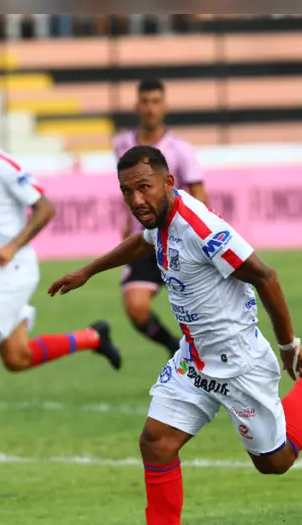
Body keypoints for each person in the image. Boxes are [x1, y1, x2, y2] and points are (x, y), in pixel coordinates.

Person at [48, 146, 302, 525]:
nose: (136, 200)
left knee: (274, 463)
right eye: (127, 191)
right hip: (195, 357)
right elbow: (142, 243)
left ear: (168, 183)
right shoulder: (159, 221)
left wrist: (290, 345)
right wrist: (89, 270)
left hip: (239, 361)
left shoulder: (200, 226)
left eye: (144, 188)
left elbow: (266, 276)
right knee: (156, 441)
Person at [0, 101, 122, 459]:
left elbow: (46, 208)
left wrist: (12, 246)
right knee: (16, 357)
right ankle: (93, 337)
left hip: (14, 269)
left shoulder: (2, 166)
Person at [112, 78, 207, 357]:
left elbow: (199, 193)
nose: (150, 108)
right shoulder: (122, 144)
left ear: (164, 106)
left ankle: (207, 362)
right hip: (144, 240)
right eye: (145, 102)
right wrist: (127, 223)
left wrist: (198, 234)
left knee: (201, 313)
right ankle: (174, 349)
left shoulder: (180, 149)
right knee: (136, 307)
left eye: (155, 102)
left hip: (180, 240)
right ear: (136, 105)